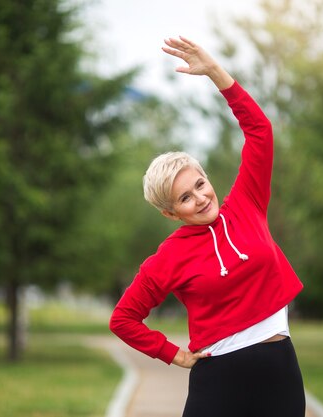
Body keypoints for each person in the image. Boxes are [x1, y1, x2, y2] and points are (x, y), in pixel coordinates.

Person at [109, 36, 306, 417]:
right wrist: (171, 353)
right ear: (171, 213)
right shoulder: (168, 257)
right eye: (184, 198)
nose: (200, 198)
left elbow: (260, 132)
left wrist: (215, 73)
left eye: (199, 184)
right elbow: (123, 318)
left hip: (279, 370)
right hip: (218, 382)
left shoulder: (247, 204)